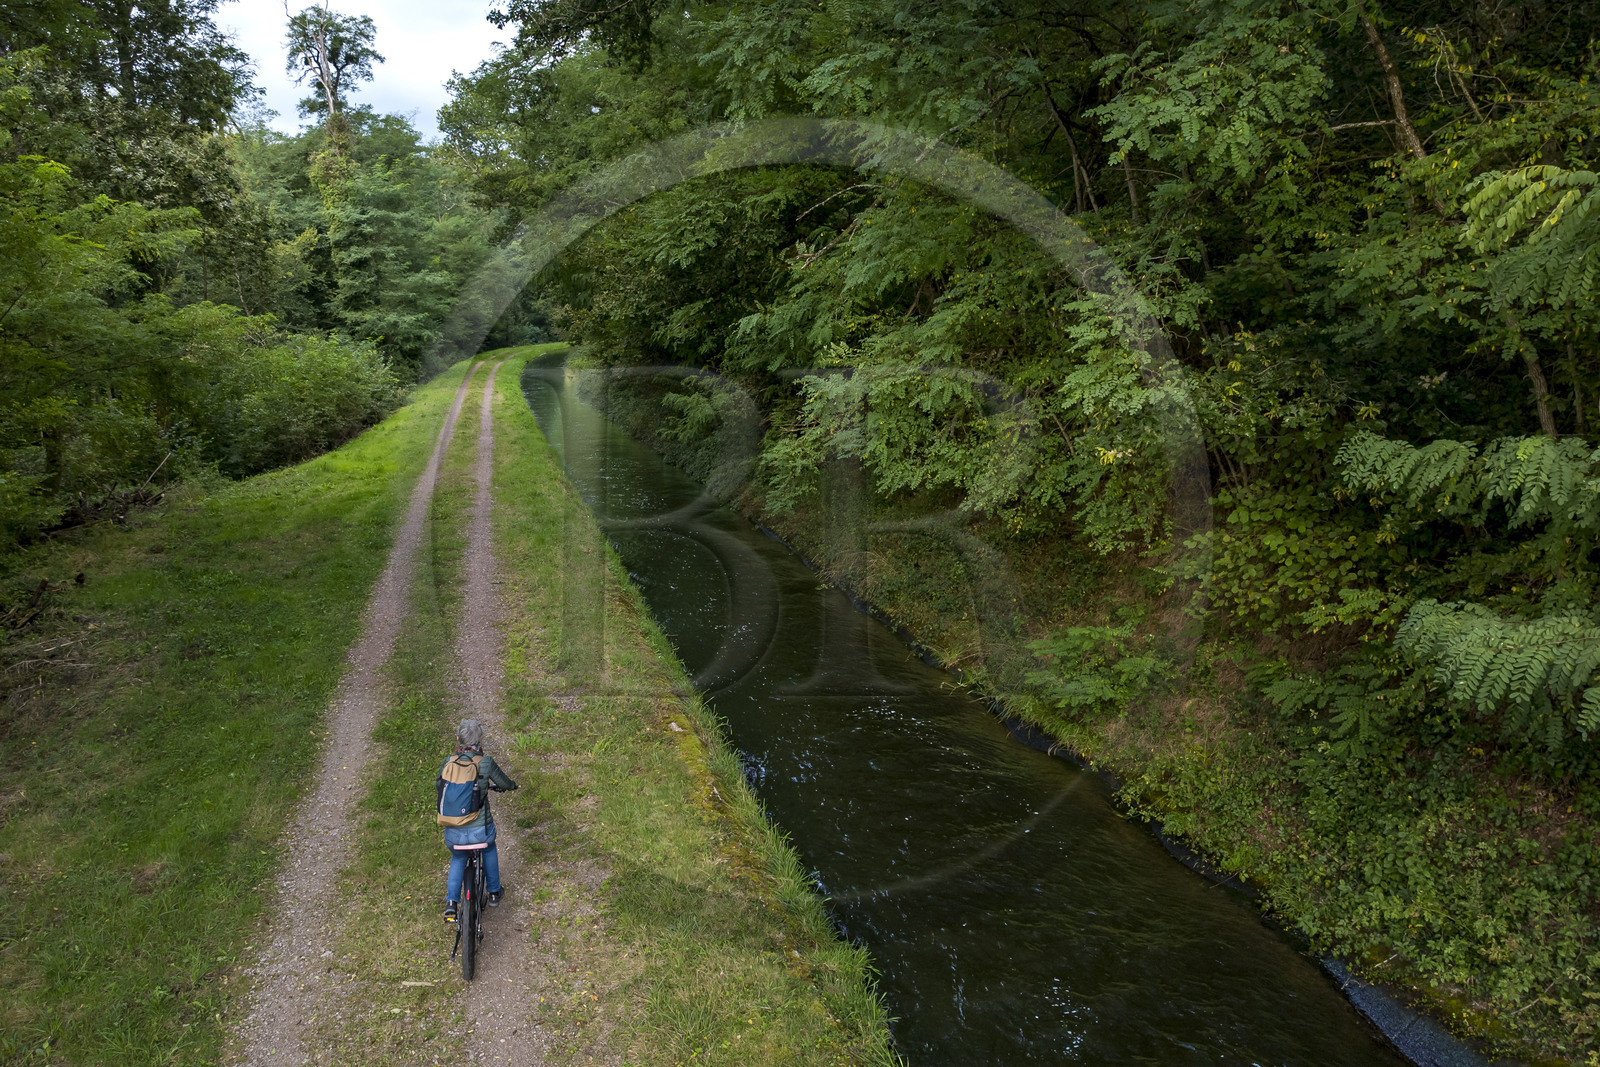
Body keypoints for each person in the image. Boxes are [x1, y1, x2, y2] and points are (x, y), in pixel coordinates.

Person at [437, 718, 517, 921]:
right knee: (488, 848)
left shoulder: (449, 763)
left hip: (453, 830)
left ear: (458, 739)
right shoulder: (485, 762)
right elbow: (503, 782)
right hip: (480, 830)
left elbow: (439, 786)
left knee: (458, 857)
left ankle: (451, 903)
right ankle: (493, 892)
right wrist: (512, 786)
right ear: (481, 739)